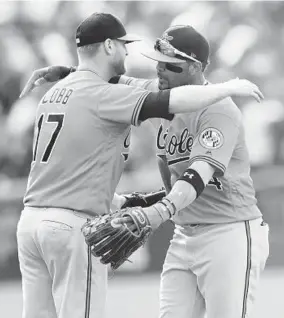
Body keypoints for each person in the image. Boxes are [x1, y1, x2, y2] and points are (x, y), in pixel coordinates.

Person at [18, 14, 264, 318]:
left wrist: (155, 211)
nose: (158, 67)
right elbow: (104, 77)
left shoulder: (220, 110)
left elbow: (195, 178)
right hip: (184, 232)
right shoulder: (158, 93)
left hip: (228, 230)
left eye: (168, 63)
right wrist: (66, 71)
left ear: (196, 66)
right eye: (157, 60)